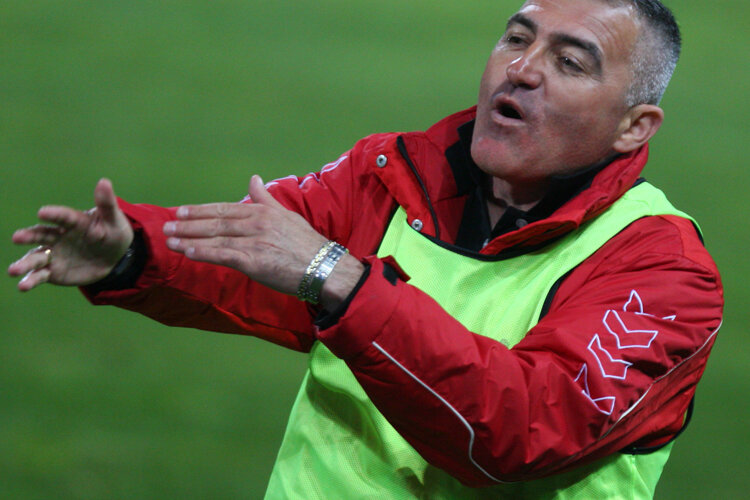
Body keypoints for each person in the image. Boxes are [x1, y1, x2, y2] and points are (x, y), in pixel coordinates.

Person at [8, 0, 723, 498]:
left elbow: (524, 432)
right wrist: (134, 251)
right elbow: (255, 251)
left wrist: (339, 282)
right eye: (516, 38)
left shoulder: (662, 270)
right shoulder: (392, 175)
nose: (522, 69)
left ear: (634, 126)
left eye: (569, 62)